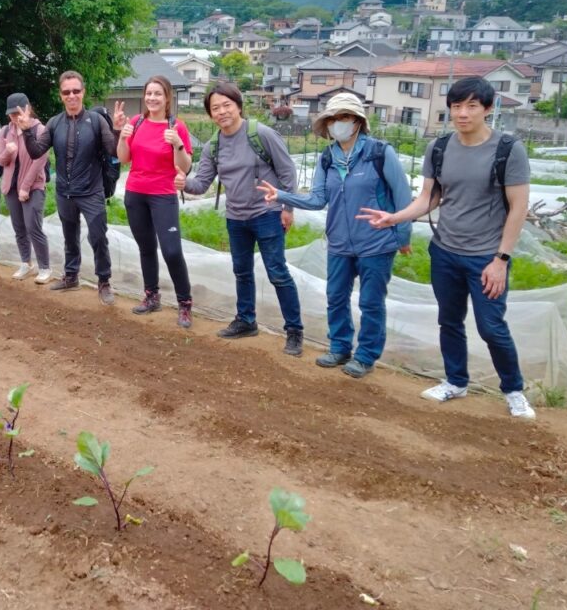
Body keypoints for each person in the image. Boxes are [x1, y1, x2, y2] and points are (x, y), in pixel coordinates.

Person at [358, 76, 535, 418]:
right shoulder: (439, 148)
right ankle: (455, 381)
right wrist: (395, 218)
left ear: (487, 108)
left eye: (471, 106)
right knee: (449, 321)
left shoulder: (508, 150)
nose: (463, 113)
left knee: (491, 327)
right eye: (456, 106)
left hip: (486, 256)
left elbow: (518, 208)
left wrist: (501, 259)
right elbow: (428, 198)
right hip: (445, 252)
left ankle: (513, 390)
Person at [258, 93, 412, 378]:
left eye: (343, 117)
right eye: (332, 119)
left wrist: (402, 236)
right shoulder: (328, 158)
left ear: (356, 121)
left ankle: (365, 355)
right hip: (339, 240)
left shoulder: (379, 153)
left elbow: (403, 197)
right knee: (336, 296)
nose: (337, 124)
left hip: (376, 242)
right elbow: (318, 200)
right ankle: (340, 346)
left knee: (370, 301)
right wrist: (281, 195)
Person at [177, 82, 304, 353]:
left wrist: (287, 208)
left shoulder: (261, 134)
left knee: (277, 272)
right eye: (215, 108)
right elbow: (201, 184)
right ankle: (246, 320)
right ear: (210, 114)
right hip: (236, 217)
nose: (222, 112)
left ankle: (294, 331)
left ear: (238, 106)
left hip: (267, 213)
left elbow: (287, 172)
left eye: (227, 105)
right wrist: (183, 183)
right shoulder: (214, 146)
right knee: (242, 271)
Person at [22, 70, 124, 305]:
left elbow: (114, 151)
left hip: (92, 191)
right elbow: (37, 151)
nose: (72, 95)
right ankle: (71, 276)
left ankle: (104, 282)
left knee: (98, 237)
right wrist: (27, 130)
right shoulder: (55, 123)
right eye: (67, 92)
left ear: (83, 92)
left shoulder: (96, 121)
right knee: (70, 236)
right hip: (64, 192)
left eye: (76, 91)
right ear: (61, 95)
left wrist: (117, 130)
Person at [115, 76, 194, 327]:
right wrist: (121, 136)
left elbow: (185, 167)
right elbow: (124, 158)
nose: (152, 98)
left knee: (171, 250)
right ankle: (152, 295)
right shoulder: (137, 122)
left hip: (163, 195)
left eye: (158, 94)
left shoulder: (176, 127)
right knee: (146, 247)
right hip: (135, 193)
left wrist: (178, 144)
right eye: (149, 93)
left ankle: (184, 303)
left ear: (167, 97)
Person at [0, 93, 52, 283]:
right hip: (11, 186)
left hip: (33, 186)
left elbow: (40, 160)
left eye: (18, 112)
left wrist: (26, 187)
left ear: (27, 109)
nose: (15, 117)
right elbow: (0, 160)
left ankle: (45, 267)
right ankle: (26, 263)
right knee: (19, 227)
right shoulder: (5, 131)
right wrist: (8, 150)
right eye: (11, 114)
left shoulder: (39, 130)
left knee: (33, 226)